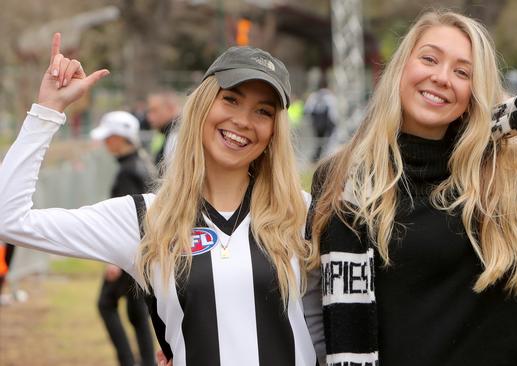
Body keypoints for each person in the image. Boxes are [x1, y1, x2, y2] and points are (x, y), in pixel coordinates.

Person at [308, 10, 517, 366]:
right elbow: (312, 313)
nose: (441, 78)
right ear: (400, 68)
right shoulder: (342, 179)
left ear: (475, 91)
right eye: (429, 59)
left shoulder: (509, 176)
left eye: (462, 72)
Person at [0, 33, 323, 366]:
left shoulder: (305, 213)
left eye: (263, 111)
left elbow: (330, 333)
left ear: (274, 131)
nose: (242, 120)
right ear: (202, 106)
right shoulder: (145, 219)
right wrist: (47, 111)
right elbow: (9, 219)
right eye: (231, 100)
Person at [90, 111, 156, 366]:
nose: (106, 144)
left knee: (106, 303)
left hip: (132, 254)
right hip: (145, 253)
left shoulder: (127, 172)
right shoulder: (143, 161)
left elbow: (132, 221)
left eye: (108, 138)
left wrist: (115, 262)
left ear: (119, 139)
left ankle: (129, 362)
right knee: (137, 310)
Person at [304, 77, 337, 162]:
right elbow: (333, 113)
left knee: (318, 142)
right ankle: (327, 158)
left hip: (316, 124)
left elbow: (307, 109)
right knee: (328, 142)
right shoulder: (330, 96)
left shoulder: (313, 96)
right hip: (328, 123)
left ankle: (316, 158)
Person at [146, 90, 180, 172]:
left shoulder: (178, 135)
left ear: (171, 108)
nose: (149, 117)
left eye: (154, 110)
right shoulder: (169, 133)